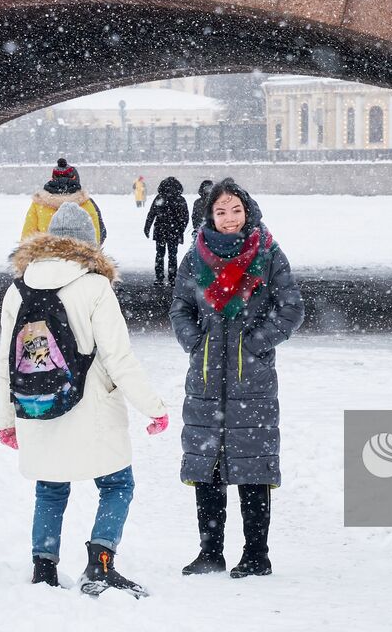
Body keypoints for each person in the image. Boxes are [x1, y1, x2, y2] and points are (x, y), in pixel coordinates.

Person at [0, 202, 171, 595]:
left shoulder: (17, 289)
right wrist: (153, 407)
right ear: (90, 243)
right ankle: (101, 563)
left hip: (37, 406)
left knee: (50, 487)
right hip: (92, 409)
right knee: (117, 484)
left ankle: (44, 568)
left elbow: (5, 362)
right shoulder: (95, 286)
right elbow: (118, 358)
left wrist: (6, 419)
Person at [169, 178, 305, 579]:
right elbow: (179, 308)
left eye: (236, 211)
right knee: (207, 469)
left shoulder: (268, 252)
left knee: (253, 469)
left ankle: (256, 554)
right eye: (221, 211)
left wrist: (256, 344)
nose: (229, 219)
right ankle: (210, 551)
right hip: (206, 379)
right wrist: (196, 342)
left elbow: (291, 308)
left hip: (253, 382)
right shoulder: (195, 257)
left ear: (248, 213)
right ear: (210, 215)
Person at [21, 159, 107, 245]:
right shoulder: (86, 203)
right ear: (76, 179)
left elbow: (27, 239)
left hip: (48, 255)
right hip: (81, 256)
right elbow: (99, 235)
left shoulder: (39, 204)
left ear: (52, 179)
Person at [144, 176, 190, 286]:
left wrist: (147, 227)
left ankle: (159, 277)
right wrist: (180, 229)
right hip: (174, 232)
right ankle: (172, 278)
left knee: (160, 254)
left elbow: (151, 214)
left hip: (160, 230)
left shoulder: (160, 198)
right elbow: (185, 217)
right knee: (172, 255)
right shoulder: (180, 199)